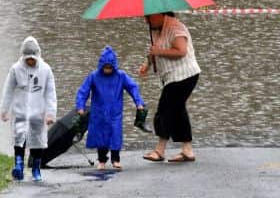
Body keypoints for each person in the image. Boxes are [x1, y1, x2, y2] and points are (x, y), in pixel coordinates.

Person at [138, 11, 200, 163]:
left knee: (164, 110)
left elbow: (181, 50)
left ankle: (160, 150)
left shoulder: (174, 27)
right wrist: (148, 63)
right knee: (178, 110)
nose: (146, 20)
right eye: (145, 17)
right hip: (172, 77)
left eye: (149, 17)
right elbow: (155, 50)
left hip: (184, 75)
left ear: (160, 14)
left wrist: (158, 51)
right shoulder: (156, 28)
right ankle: (187, 150)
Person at [75, 45, 145, 170]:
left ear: (114, 66)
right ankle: (101, 160)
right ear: (101, 66)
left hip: (115, 112)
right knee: (100, 137)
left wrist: (138, 102)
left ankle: (115, 159)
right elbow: (83, 91)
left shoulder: (121, 76)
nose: (107, 70)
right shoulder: (94, 76)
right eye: (105, 67)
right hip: (99, 112)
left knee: (115, 135)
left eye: (110, 67)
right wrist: (80, 106)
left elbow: (133, 87)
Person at [0, 36, 57, 182]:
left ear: (38, 56)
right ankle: (18, 165)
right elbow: (8, 90)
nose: (30, 61)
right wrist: (4, 109)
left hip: (38, 113)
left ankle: (36, 168)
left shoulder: (45, 70)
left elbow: (50, 93)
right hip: (20, 111)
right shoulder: (15, 70)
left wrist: (51, 113)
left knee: (37, 142)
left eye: (33, 59)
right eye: (28, 59)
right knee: (19, 139)